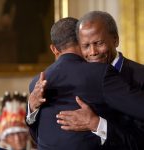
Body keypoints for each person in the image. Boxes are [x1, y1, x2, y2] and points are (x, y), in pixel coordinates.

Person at [26, 17, 144, 150]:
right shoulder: (98, 74)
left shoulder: (36, 82)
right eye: (87, 45)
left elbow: (39, 137)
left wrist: (96, 123)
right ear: (81, 40)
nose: (93, 52)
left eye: (98, 43)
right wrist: (31, 109)